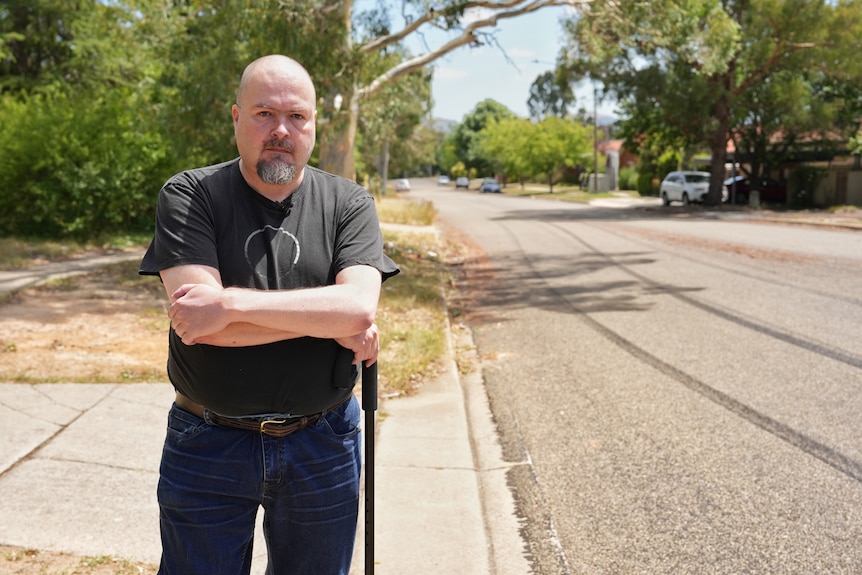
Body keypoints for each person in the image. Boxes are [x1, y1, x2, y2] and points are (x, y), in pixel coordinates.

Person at [139, 54, 399, 575]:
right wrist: (323, 318)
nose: (281, 130)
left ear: (314, 125)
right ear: (236, 118)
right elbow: (197, 325)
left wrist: (229, 305)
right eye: (264, 113)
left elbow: (356, 308)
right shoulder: (191, 195)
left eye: (297, 116)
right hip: (207, 443)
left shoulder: (349, 202)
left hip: (323, 443)